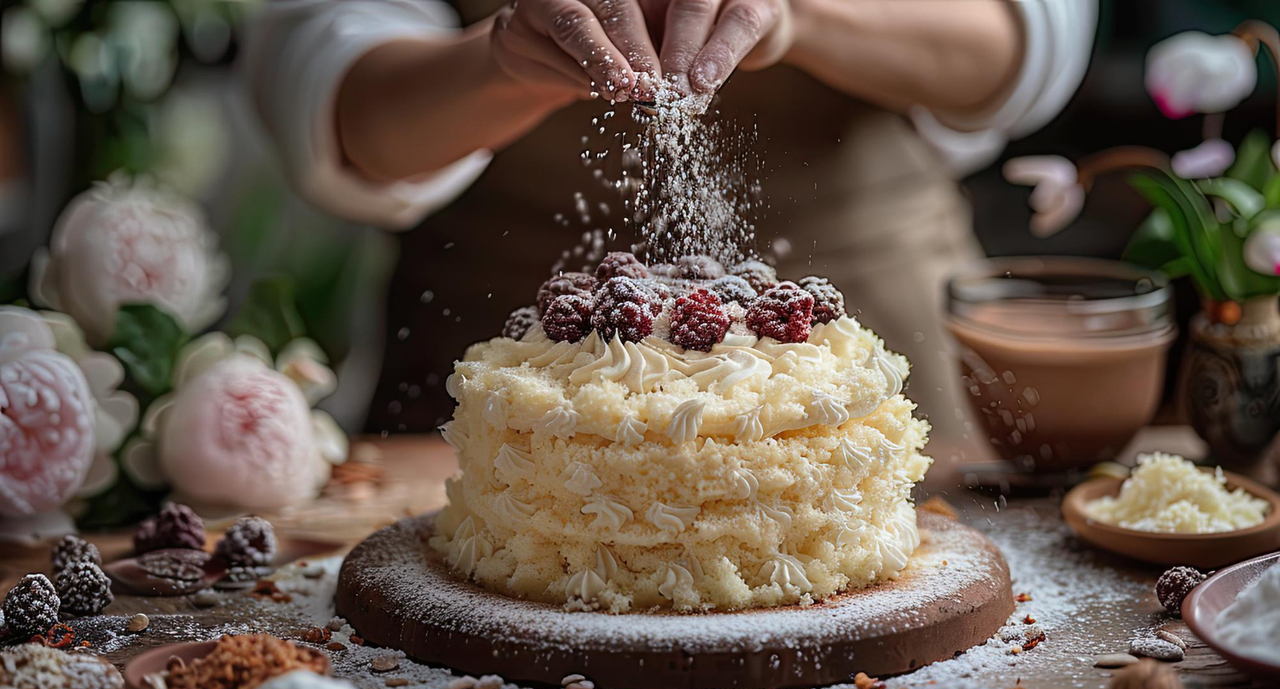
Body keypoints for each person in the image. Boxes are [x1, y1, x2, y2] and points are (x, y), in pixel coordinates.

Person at [244, 0, 1097, 440]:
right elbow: (329, 92)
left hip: (879, 331)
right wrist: (505, 60)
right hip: (497, 381)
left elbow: (1023, 40)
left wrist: (799, 16)